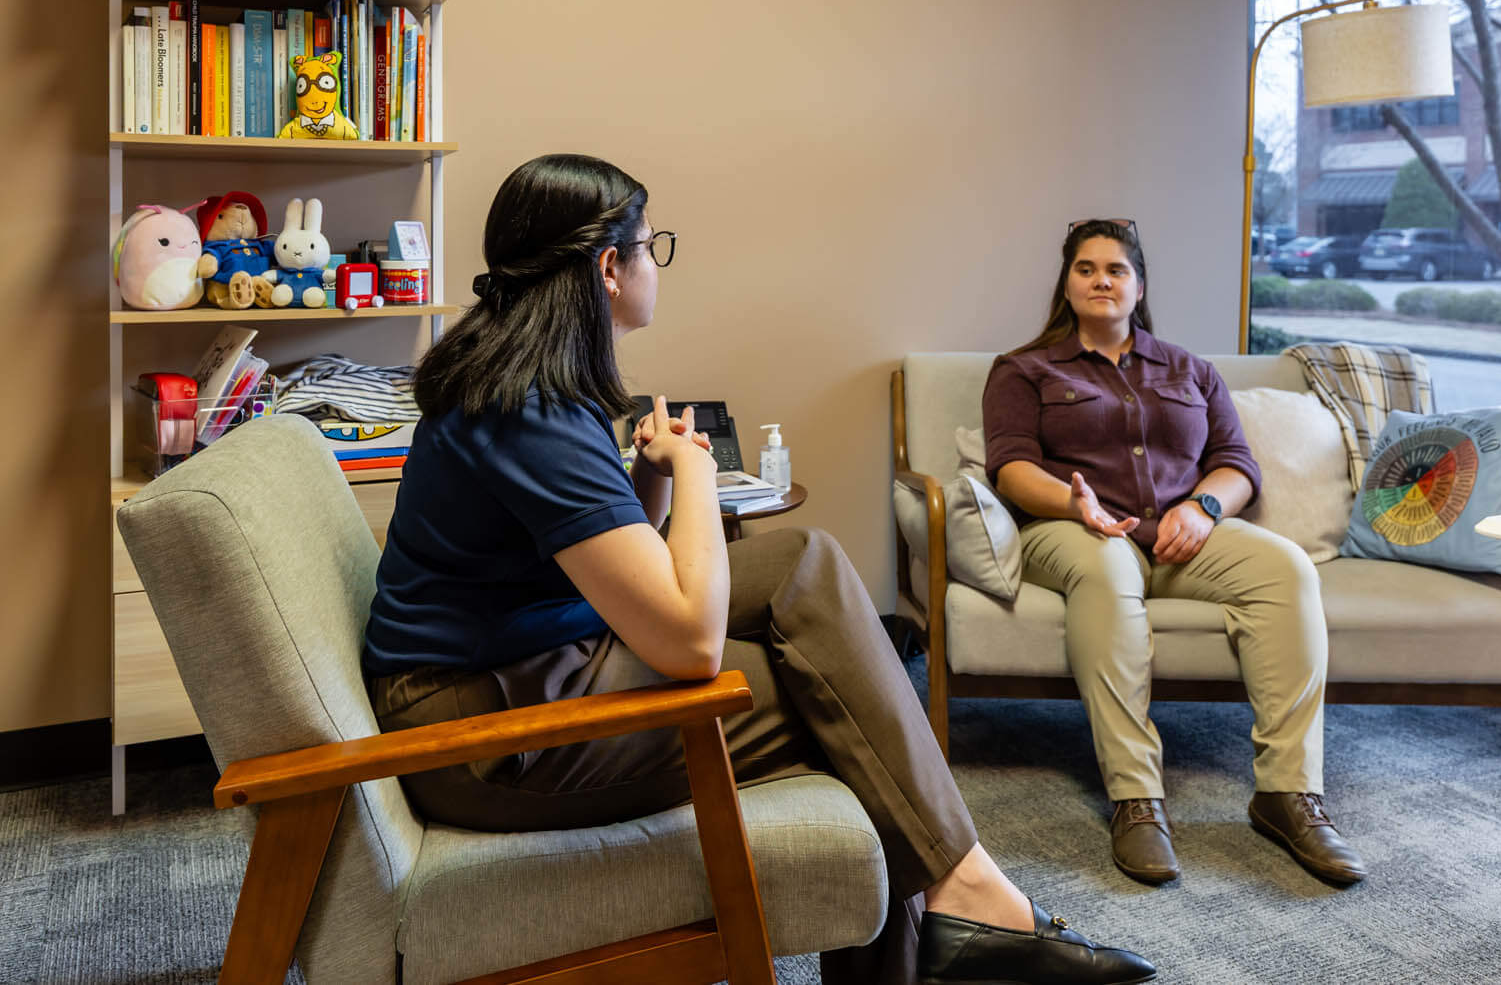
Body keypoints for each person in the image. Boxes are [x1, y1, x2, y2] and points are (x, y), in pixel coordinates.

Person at [363, 156, 1156, 985]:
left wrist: (658, 477)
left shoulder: (525, 380)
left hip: (529, 662)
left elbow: (596, 554)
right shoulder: (530, 409)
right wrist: (700, 474)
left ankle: (965, 898)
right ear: (608, 267)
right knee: (839, 704)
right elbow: (688, 641)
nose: (653, 263)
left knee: (806, 564)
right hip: (483, 735)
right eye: (649, 246)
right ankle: (970, 900)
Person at [982, 218, 1364, 889]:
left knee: (1285, 568)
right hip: (1076, 529)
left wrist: (1204, 505)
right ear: (1067, 285)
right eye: (1086, 268)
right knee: (1104, 568)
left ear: (1138, 286)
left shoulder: (1191, 369)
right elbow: (1009, 468)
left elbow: (1237, 463)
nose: (1102, 278)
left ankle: (1288, 794)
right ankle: (1136, 797)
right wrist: (1074, 504)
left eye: (1116, 269)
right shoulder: (1024, 369)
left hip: (1182, 535)